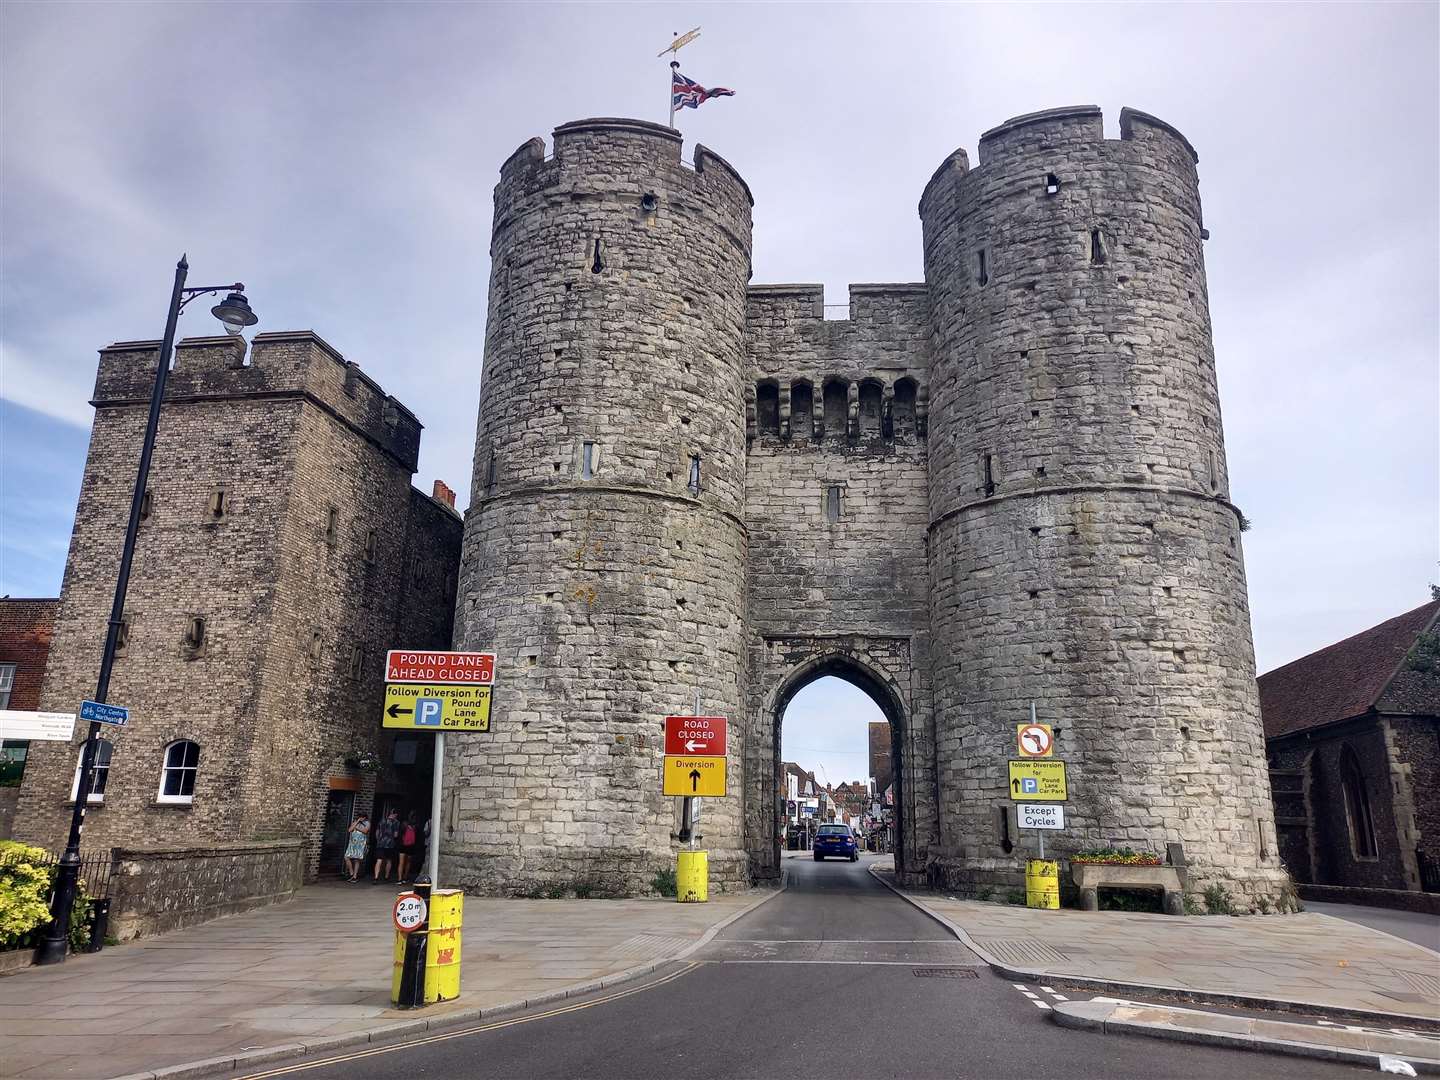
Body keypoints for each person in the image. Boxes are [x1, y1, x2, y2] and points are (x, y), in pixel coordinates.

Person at [373, 808, 402, 884]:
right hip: (390, 844)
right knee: (389, 860)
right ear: (395, 814)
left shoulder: (382, 820)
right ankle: (386, 876)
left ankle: (376, 877)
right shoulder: (396, 822)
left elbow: (377, 832)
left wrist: (378, 839)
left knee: (379, 860)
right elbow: (396, 835)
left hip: (380, 843)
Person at [343, 813, 370, 882]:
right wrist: (357, 822)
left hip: (360, 844)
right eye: (360, 817)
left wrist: (357, 828)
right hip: (352, 843)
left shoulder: (367, 823)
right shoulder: (355, 822)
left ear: (365, 818)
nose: (361, 818)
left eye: (362, 817)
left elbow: (365, 831)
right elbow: (350, 830)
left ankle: (355, 876)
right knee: (346, 857)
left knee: (357, 860)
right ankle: (352, 873)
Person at [397, 810, 420, 884]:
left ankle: (399, 879)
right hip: (411, 846)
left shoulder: (404, 824)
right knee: (408, 862)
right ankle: (405, 877)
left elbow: (400, 834)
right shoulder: (415, 826)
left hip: (403, 845)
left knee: (401, 862)